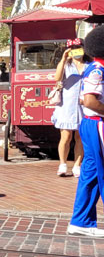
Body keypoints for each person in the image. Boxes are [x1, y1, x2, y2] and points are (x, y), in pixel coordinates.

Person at [69, 26, 104, 237]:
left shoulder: (93, 67)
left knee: (90, 174)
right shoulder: (99, 70)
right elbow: (90, 101)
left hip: (90, 124)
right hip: (98, 123)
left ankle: (81, 220)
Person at [53, 39, 85, 177]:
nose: (76, 50)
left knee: (80, 137)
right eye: (73, 48)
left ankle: (77, 165)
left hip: (84, 105)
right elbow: (57, 78)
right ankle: (63, 164)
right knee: (65, 136)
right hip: (67, 105)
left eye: (78, 48)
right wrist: (63, 59)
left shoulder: (89, 65)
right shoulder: (66, 65)